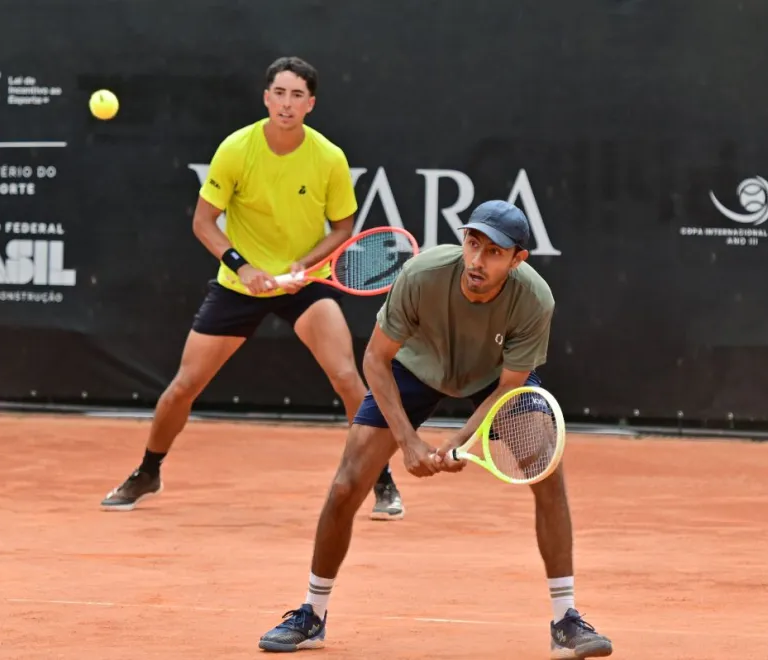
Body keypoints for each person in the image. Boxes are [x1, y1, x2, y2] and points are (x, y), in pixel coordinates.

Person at [258, 200, 614, 658]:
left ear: (517, 259)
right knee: (348, 483)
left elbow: (509, 386)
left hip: (492, 378)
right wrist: (407, 441)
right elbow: (376, 359)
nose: (477, 261)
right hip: (414, 369)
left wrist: (459, 440)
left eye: (493, 253)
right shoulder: (423, 274)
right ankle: (311, 613)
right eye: (473, 244)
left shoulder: (534, 299)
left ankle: (566, 620)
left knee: (545, 466)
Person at [100, 56, 405, 521]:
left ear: (311, 104)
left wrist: (306, 263)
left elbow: (344, 226)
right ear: (266, 98)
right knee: (184, 387)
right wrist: (242, 268)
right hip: (239, 284)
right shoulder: (236, 149)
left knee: (348, 378)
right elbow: (204, 223)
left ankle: (380, 478)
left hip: (304, 284)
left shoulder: (328, 158)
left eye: (297, 95)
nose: (286, 103)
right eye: (279, 93)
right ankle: (148, 470)